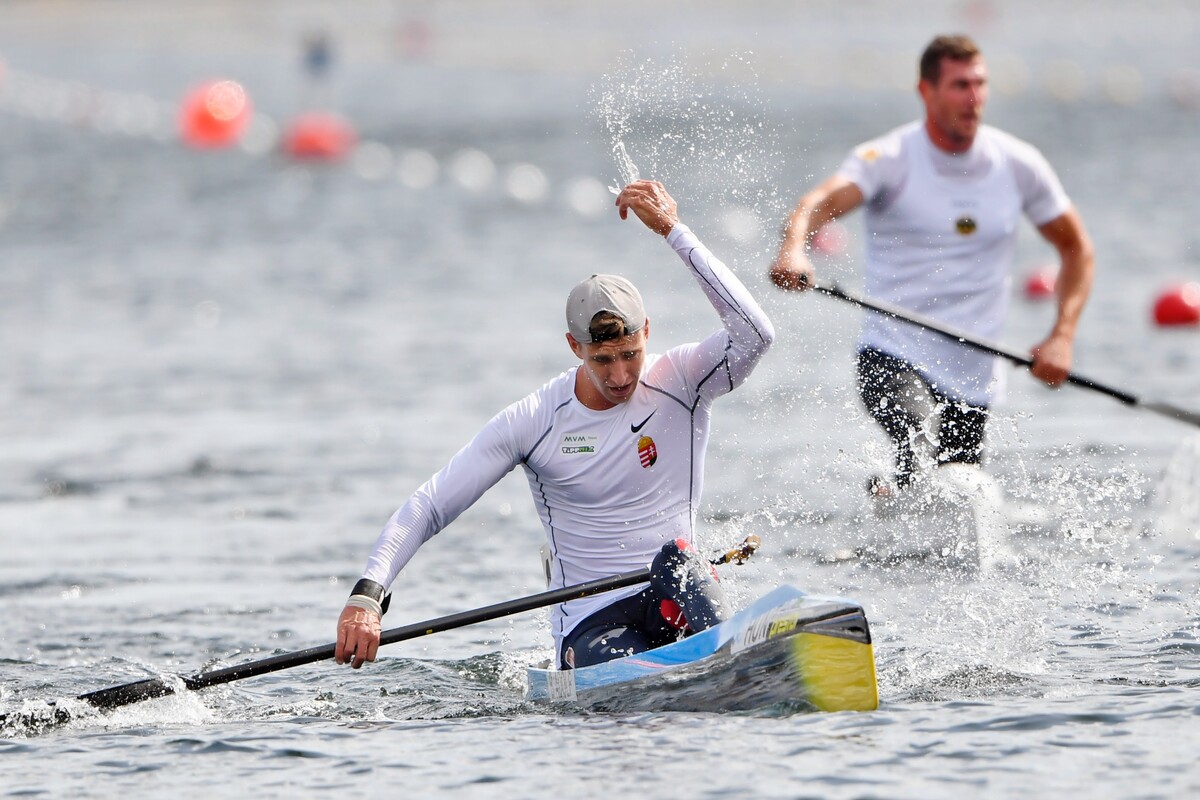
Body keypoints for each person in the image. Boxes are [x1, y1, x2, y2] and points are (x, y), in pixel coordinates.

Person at [335, 180, 775, 671]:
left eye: (631, 355)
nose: (621, 376)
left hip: (673, 597)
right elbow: (431, 505)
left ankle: (733, 664)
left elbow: (756, 332)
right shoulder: (537, 421)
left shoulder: (684, 381)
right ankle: (702, 670)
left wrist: (674, 231)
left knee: (678, 557)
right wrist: (368, 595)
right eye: (603, 360)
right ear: (575, 348)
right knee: (632, 683)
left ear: (647, 332)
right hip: (593, 621)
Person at [769, 34, 1094, 494]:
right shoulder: (889, 158)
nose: (975, 97)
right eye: (960, 85)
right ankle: (903, 495)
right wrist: (793, 250)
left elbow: (1077, 249)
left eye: (980, 84)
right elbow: (814, 205)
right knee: (922, 446)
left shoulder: (1019, 164)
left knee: (957, 485)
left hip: (975, 372)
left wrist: (1061, 337)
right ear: (927, 91)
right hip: (893, 352)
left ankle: (889, 501)